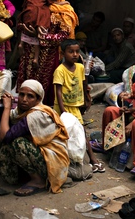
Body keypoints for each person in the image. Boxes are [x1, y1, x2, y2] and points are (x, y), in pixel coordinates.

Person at [0, 80, 69, 196]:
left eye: (30, 96)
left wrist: (6, 108)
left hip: (52, 163)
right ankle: (26, 176)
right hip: (39, 155)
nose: (24, 99)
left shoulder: (37, 115)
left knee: (18, 143)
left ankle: (38, 181)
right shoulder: (22, 112)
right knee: (6, 157)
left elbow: (4, 136)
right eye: (21, 94)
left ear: (38, 100)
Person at [16, 0, 79, 106]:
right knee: (26, 87)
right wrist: (25, 29)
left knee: (42, 90)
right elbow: (22, 21)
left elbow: (63, 37)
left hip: (48, 58)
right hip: (28, 52)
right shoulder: (36, 1)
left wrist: (40, 37)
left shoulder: (66, 10)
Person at [53, 39, 104, 173]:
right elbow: (58, 91)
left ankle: (92, 160)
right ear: (63, 53)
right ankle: (66, 161)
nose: (75, 54)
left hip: (75, 107)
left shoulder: (81, 67)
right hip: (63, 107)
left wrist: (86, 99)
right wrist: (63, 112)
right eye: (71, 52)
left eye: (77, 51)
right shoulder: (60, 70)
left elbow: (83, 84)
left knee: (81, 131)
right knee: (64, 134)